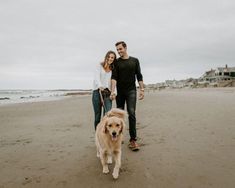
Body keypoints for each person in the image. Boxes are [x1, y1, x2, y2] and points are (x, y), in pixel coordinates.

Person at [110, 41, 144, 151]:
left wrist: (142, 89)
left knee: (132, 113)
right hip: (120, 92)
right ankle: (119, 137)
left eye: (120, 49)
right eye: (117, 50)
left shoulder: (134, 61)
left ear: (125, 48)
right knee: (119, 116)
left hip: (131, 91)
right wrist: (113, 90)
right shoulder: (116, 62)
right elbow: (114, 77)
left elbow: (139, 75)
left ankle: (133, 140)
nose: (119, 51)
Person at [92, 51, 116, 130]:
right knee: (97, 116)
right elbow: (96, 78)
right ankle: (98, 135)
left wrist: (114, 93)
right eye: (108, 57)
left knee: (107, 116)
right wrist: (100, 86)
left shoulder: (113, 69)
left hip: (107, 93)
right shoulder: (99, 66)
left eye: (112, 57)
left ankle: (105, 135)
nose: (110, 59)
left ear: (114, 59)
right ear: (106, 57)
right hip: (97, 92)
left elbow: (113, 82)